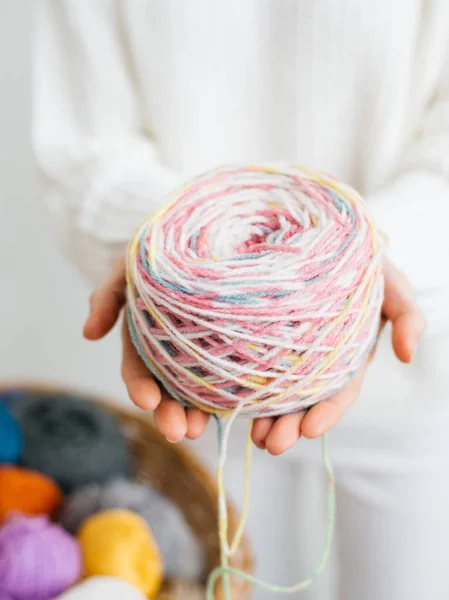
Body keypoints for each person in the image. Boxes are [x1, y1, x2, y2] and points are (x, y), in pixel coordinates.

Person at [35, 2, 449, 599]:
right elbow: (85, 142)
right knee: (238, 581)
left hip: (411, 375)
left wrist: (358, 262)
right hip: (204, 376)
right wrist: (164, 254)